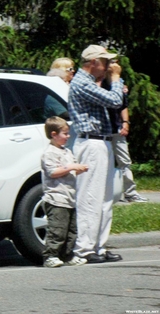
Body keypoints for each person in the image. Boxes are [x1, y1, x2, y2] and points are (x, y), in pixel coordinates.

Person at [68, 45, 124, 264]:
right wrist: (117, 79)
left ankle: (99, 247)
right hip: (91, 143)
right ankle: (84, 249)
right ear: (94, 62)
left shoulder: (91, 83)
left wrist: (114, 84)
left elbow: (114, 100)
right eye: (106, 62)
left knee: (104, 198)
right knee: (90, 197)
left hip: (102, 141)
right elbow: (114, 101)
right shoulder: (81, 83)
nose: (109, 66)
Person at [41, 116, 89, 268]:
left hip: (69, 198)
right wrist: (72, 167)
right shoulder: (49, 153)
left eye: (68, 133)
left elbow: (69, 172)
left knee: (72, 230)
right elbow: (53, 172)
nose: (68, 136)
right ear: (54, 134)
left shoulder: (66, 151)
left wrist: (79, 169)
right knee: (58, 230)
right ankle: (50, 256)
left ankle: (68, 255)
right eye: (65, 133)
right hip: (56, 198)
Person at [98, 76, 148, 203]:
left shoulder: (119, 82)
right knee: (103, 163)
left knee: (125, 162)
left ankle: (130, 193)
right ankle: (104, 193)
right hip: (101, 131)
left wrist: (125, 122)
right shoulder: (97, 82)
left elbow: (123, 105)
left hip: (117, 129)